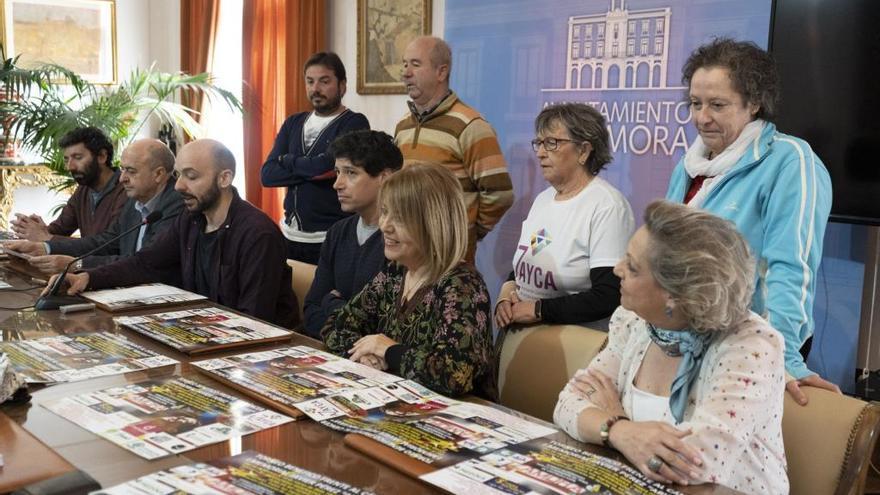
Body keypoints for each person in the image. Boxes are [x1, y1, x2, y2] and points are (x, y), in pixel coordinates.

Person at [554, 200, 787, 495]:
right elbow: (567, 404)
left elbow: (693, 466)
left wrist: (611, 419)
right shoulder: (633, 320)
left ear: (674, 295)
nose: (617, 269)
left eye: (633, 267)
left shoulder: (750, 345)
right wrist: (621, 430)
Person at [665, 38, 838, 405]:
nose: (701, 117)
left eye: (717, 105)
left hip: (748, 350)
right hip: (684, 340)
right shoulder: (689, 164)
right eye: (695, 104)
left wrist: (782, 357)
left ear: (755, 103)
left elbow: (791, 268)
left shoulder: (791, 161)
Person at [46, 139, 298, 328]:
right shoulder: (189, 221)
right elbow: (145, 262)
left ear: (224, 179)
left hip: (257, 353)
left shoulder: (257, 234)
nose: (178, 186)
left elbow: (253, 319)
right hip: (206, 335)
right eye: (178, 175)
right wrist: (87, 278)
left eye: (191, 176)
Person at [321, 163, 495, 399]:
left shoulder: (463, 285)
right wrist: (367, 354)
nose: (385, 226)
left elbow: (454, 374)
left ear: (433, 224)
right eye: (384, 212)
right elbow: (335, 326)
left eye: (400, 218)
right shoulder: (394, 273)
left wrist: (388, 351)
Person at [494, 103, 633, 329]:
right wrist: (508, 291)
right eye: (538, 143)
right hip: (526, 343)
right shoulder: (543, 200)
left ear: (584, 151)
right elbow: (533, 256)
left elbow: (608, 295)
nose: (539, 153)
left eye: (552, 143)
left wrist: (540, 310)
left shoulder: (607, 206)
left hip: (575, 350)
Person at [394, 36, 513, 261]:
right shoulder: (402, 126)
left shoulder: (471, 125)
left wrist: (467, 233)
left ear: (442, 72)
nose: (406, 72)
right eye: (405, 64)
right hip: (410, 256)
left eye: (416, 64)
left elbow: (500, 193)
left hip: (451, 263)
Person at [3, 139, 183, 273]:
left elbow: (145, 262)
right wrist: (45, 247)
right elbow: (106, 243)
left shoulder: (177, 205)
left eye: (131, 171)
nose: (122, 178)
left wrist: (78, 264)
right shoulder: (135, 201)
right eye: (123, 169)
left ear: (159, 174)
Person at [261, 52, 371, 264]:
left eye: (324, 81)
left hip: (331, 236)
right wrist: (312, 168)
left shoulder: (354, 123)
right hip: (289, 236)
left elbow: (325, 168)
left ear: (342, 85)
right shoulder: (293, 122)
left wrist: (288, 160)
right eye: (310, 82)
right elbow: (267, 175)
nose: (315, 88)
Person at [302, 130, 403, 338]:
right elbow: (311, 310)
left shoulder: (401, 239)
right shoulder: (338, 232)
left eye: (350, 173)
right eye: (337, 172)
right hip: (332, 353)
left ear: (384, 178)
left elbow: (383, 328)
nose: (337, 184)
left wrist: (331, 304)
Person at [11, 126, 127, 242]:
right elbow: (61, 228)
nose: (70, 167)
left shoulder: (126, 190)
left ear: (102, 156)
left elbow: (108, 244)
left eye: (78, 157)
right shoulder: (83, 189)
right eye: (66, 159)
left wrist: (48, 237)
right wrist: (38, 230)